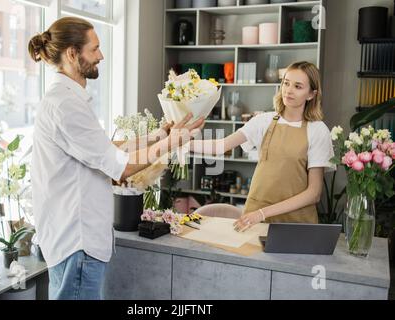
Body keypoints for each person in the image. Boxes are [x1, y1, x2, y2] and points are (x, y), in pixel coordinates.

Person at [28, 17, 204, 300]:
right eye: (94, 49)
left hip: (73, 241)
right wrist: (172, 143)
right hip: (78, 244)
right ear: (72, 54)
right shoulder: (66, 105)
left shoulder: (65, 99)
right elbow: (119, 167)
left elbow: (103, 148)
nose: (101, 55)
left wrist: (159, 136)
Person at [191, 61, 334, 232]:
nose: (288, 90)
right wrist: (183, 143)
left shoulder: (317, 130)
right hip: (254, 220)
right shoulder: (263, 121)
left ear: (311, 94)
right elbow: (221, 146)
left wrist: (262, 213)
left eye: (298, 86)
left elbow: (314, 193)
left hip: (296, 223)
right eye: (286, 83)